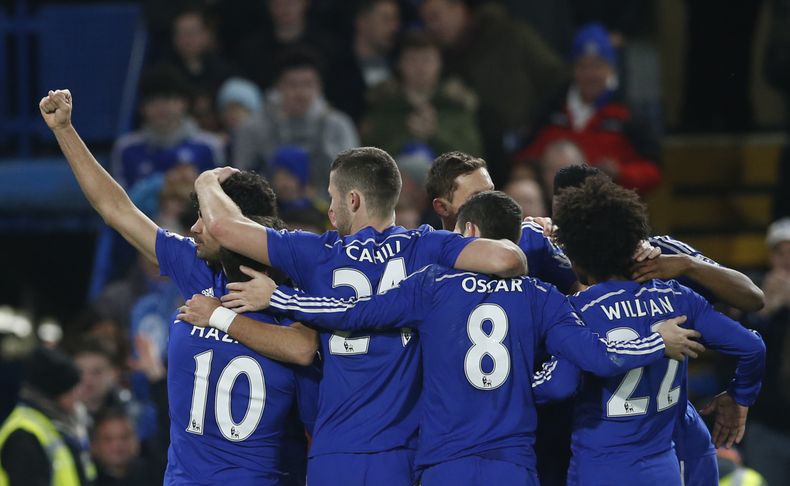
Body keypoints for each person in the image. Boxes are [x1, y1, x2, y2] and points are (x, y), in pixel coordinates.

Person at [232, 190, 704, 486]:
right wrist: (655, 342)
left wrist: (279, 299)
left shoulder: (431, 286)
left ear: (470, 234)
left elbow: (353, 313)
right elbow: (595, 359)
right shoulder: (541, 296)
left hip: (444, 466)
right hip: (513, 466)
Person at [188, 146, 528, 485]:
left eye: (332, 198)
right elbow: (507, 260)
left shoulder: (314, 253)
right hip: (402, 454)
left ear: (352, 201)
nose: (331, 210)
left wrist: (206, 180)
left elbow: (223, 228)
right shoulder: (425, 248)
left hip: (334, 453)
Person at [39, 89, 316, 484]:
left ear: (237, 225)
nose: (195, 228)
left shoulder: (303, 289)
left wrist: (218, 317)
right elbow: (115, 209)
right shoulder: (200, 269)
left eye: (206, 218)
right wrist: (65, 130)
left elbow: (304, 351)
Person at [541, 164, 766, 485]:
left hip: (619, 450)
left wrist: (689, 265)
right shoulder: (678, 297)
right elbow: (751, 345)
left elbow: (752, 298)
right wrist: (742, 392)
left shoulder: (658, 259)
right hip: (658, 454)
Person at [420, 0, 568, 184]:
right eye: (426, 20)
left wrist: (531, 125)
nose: (431, 27)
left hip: (528, 147)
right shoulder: (441, 61)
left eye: (435, 16)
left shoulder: (509, 34)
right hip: (480, 156)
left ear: (458, 8)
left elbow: (557, 78)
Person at [517, 23, 661, 194]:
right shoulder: (551, 109)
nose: (590, 74)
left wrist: (620, 173)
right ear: (572, 69)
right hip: (550, 207)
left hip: (609, 205)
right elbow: (523, 155)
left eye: (597, 66)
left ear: (611, 69)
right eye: (583, 66)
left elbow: (654, 171)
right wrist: (531, 169)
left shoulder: (629, 115)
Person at [425, 151, 579, 293]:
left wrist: (562, 242)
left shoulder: (532, 238)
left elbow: (582, 293)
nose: (491, 202)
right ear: (442, 207)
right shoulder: (426, 258)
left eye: (491, 192)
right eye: (476, 197)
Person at [231, 49, 360, 197]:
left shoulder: (338, 125)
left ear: (320, 87)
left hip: (326, 211)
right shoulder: (252, 128)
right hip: (268, 210)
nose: (301, 93)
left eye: (308, 84)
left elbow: (353, 180)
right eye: (292, 85)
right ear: (278, 87)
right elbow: (240, 179)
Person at [361, 31, 482, 159]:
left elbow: (473, 156)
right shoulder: (384, 106)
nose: (420, 68)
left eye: (426, 60)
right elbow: (368, 157)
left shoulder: (456, 106)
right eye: (412, 59)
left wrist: (435, 134)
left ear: (440, 64)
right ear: (399, 64)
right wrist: (407, 132)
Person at [112, 65, 224, 190]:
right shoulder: (126, 148)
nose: (161, 108)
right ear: (142, 108)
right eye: (153, 100)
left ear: (184, 103)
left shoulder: (209, 146)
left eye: (168, 99)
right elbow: (118, 200)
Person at [0, 347, 96, 486]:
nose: (78, 394)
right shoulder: (24, 434)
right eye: (72, 390)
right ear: (53, 394)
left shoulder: (59, 424)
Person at [741, 217, 790, 485]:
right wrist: (766, 312)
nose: (787, 260)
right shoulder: (751, 291)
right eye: (780, 252)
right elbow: (737, 350)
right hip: (767, 424)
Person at [325, 0, 401, 123]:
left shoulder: (400, 66)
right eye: (386, 19)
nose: (394, 27)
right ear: (362, 23)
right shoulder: (335, 70)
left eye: (395, 20)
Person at [91, 408, 161, 486]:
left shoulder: (160, 475)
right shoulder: (87, 482)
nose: (117, 445)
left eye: (124, 437)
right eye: (108, 439)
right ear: (95, 446)